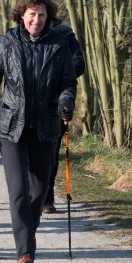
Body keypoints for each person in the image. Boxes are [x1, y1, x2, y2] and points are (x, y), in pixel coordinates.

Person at [0, 0, 77, 263]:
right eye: (32, 14)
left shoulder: (59, 44)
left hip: (46, 128)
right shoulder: (8, 43)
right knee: (18, 191)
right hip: (11, 129)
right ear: (22, 15)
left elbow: (68, 82)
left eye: (42, 15)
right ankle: (25, 251)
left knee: (39, 192)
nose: (37, 20)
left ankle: (27, 231)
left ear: (48, 18)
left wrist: (66, 103)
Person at [43, 18, 85, 214]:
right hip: (26, 106)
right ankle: (30, 193)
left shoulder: (65, 35)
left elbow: (79, 64)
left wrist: (59, 75)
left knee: (51, 153)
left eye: (42, 15)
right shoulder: (21, 35)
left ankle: (47, 198)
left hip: (57, 103)